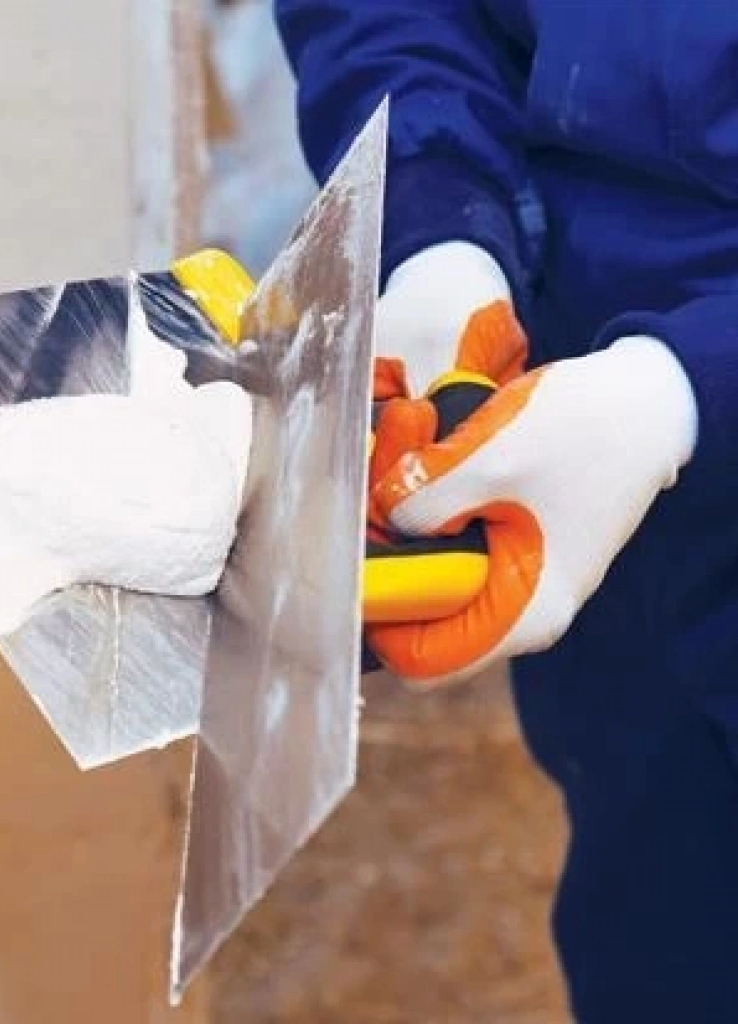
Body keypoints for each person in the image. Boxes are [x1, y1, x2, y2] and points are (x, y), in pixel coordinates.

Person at [274, 2, 738, 1021]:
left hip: (635, 414)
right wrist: (433, 223)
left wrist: (688, 390)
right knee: (664, 937)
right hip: (594, 472)